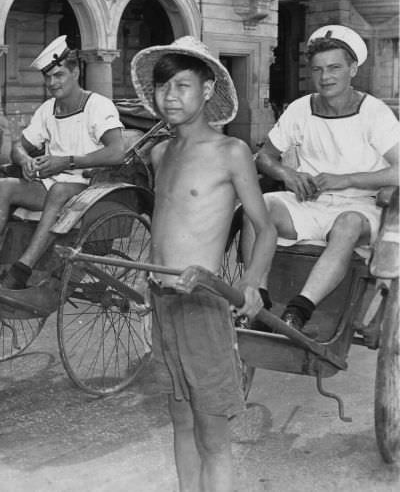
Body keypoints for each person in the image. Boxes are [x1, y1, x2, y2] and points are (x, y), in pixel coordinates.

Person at [131, 36, 276, 492]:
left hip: (202, 302)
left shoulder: (230, 152)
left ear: (207, 89)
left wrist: (252, 283)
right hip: (164, 301)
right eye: (162, 87)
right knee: (180, 417)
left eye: (183, 86)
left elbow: (265, 227)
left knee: (211, 429)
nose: (170, 97)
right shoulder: (160, 153)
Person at [241, 25, 399, 332]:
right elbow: (265, 156)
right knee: (257, 206)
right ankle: (258, 297)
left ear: (353, 69)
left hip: (359, 207)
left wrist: (347, 180)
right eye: (318, 70)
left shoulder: (374, 113)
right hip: (309, 203)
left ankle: (300, 309)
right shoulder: (301, 109)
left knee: (347, 224)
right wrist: (287, 173)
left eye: (335, 68)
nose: (326, 77)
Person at [0, 35, 127, 290]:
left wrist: (67, 162)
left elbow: (116, 152)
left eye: (58, 75)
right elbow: (17, 147)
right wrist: (25, 160)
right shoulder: (48, 110)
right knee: (4, 186)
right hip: (52, 186)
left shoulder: (98, 106)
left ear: (76, 71)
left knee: (58, 190)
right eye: (47, 77)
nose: (52, 82)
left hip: (90, 188)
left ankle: (22, 269)